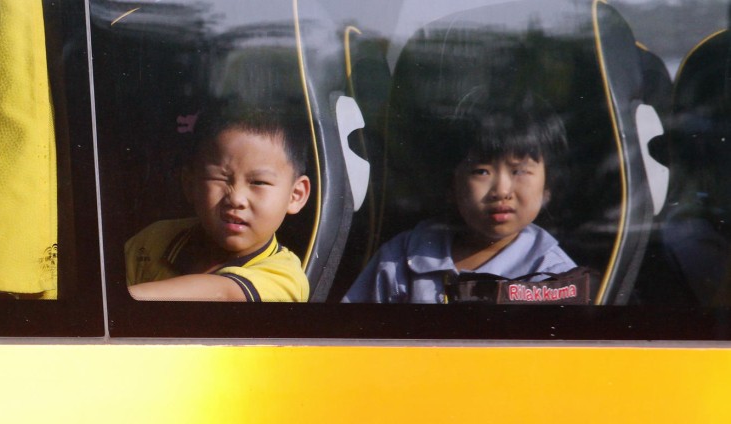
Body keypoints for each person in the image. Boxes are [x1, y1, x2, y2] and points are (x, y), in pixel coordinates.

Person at [343, 91, 585, 304]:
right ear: (451, 183)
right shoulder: (402, 258)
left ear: (548, 186)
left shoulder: (554, 277)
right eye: (482, 171)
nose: (501, 191)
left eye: (519, 171)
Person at [125, 103, 311, 301]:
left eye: (259, 182)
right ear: (189, 184)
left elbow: (223, 294)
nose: (236, 199)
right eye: (219, 178)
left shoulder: (285, 278)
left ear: (295, 195)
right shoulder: (154, 240)